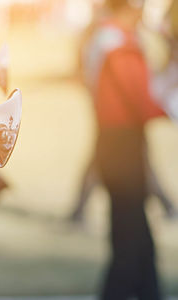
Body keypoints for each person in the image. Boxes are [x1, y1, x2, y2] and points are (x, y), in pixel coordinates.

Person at [83, 0, 165, 298]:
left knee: (136, 235)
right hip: (122, 145)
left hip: (115, 142)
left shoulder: (105, 37)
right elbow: (141, 99)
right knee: (130, 236)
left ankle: (148, 290)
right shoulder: (118, 42)